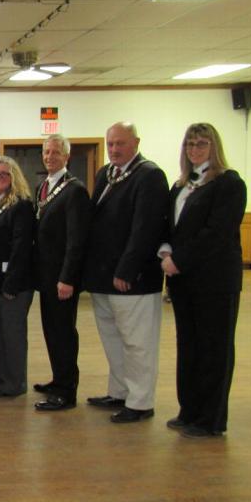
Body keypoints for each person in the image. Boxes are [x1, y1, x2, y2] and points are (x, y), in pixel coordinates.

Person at [160, 123, 246, 438]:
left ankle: (211, 419)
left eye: (201, 144)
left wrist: (179, 260)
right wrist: (166, 250)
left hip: (215, 282)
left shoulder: (229, 184)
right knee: (190, 346)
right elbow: (171, 226)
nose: (194, 149)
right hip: (183, 282)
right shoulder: (181, 185)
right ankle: (190, 410)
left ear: (214, 147)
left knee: (214, 349)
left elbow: (217, 233)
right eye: (190, 144)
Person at [84, 122, 168, 424]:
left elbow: (145, 228)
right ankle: (119, 391)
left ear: (136, 142)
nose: (115, 149)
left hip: (132, 280)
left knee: (138, 343)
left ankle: (141, 401)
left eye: (120, 143)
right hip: (103, 278)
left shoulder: (150, 176)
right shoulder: (106, 174)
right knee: (112, 338)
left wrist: (127, 269)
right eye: (111, 144)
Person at [32, 135, 91, 412]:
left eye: (56, 152)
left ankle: (67, 391)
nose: (50, 156)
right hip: (45, 276)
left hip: (62, 278)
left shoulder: (74, 190)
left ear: (67, 157)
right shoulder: (43, 186)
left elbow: (76, 239)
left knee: (64, 333)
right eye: (46, 152)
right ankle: (58, 379)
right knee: (51, 330)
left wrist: (67, 278)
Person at [0, 156, 35, 398]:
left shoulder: (21, 206)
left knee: (12, 334)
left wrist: (11, 282)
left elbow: (21, 248)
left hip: (13, 284)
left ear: (14, 177)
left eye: (4, 174)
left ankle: (14, 383)